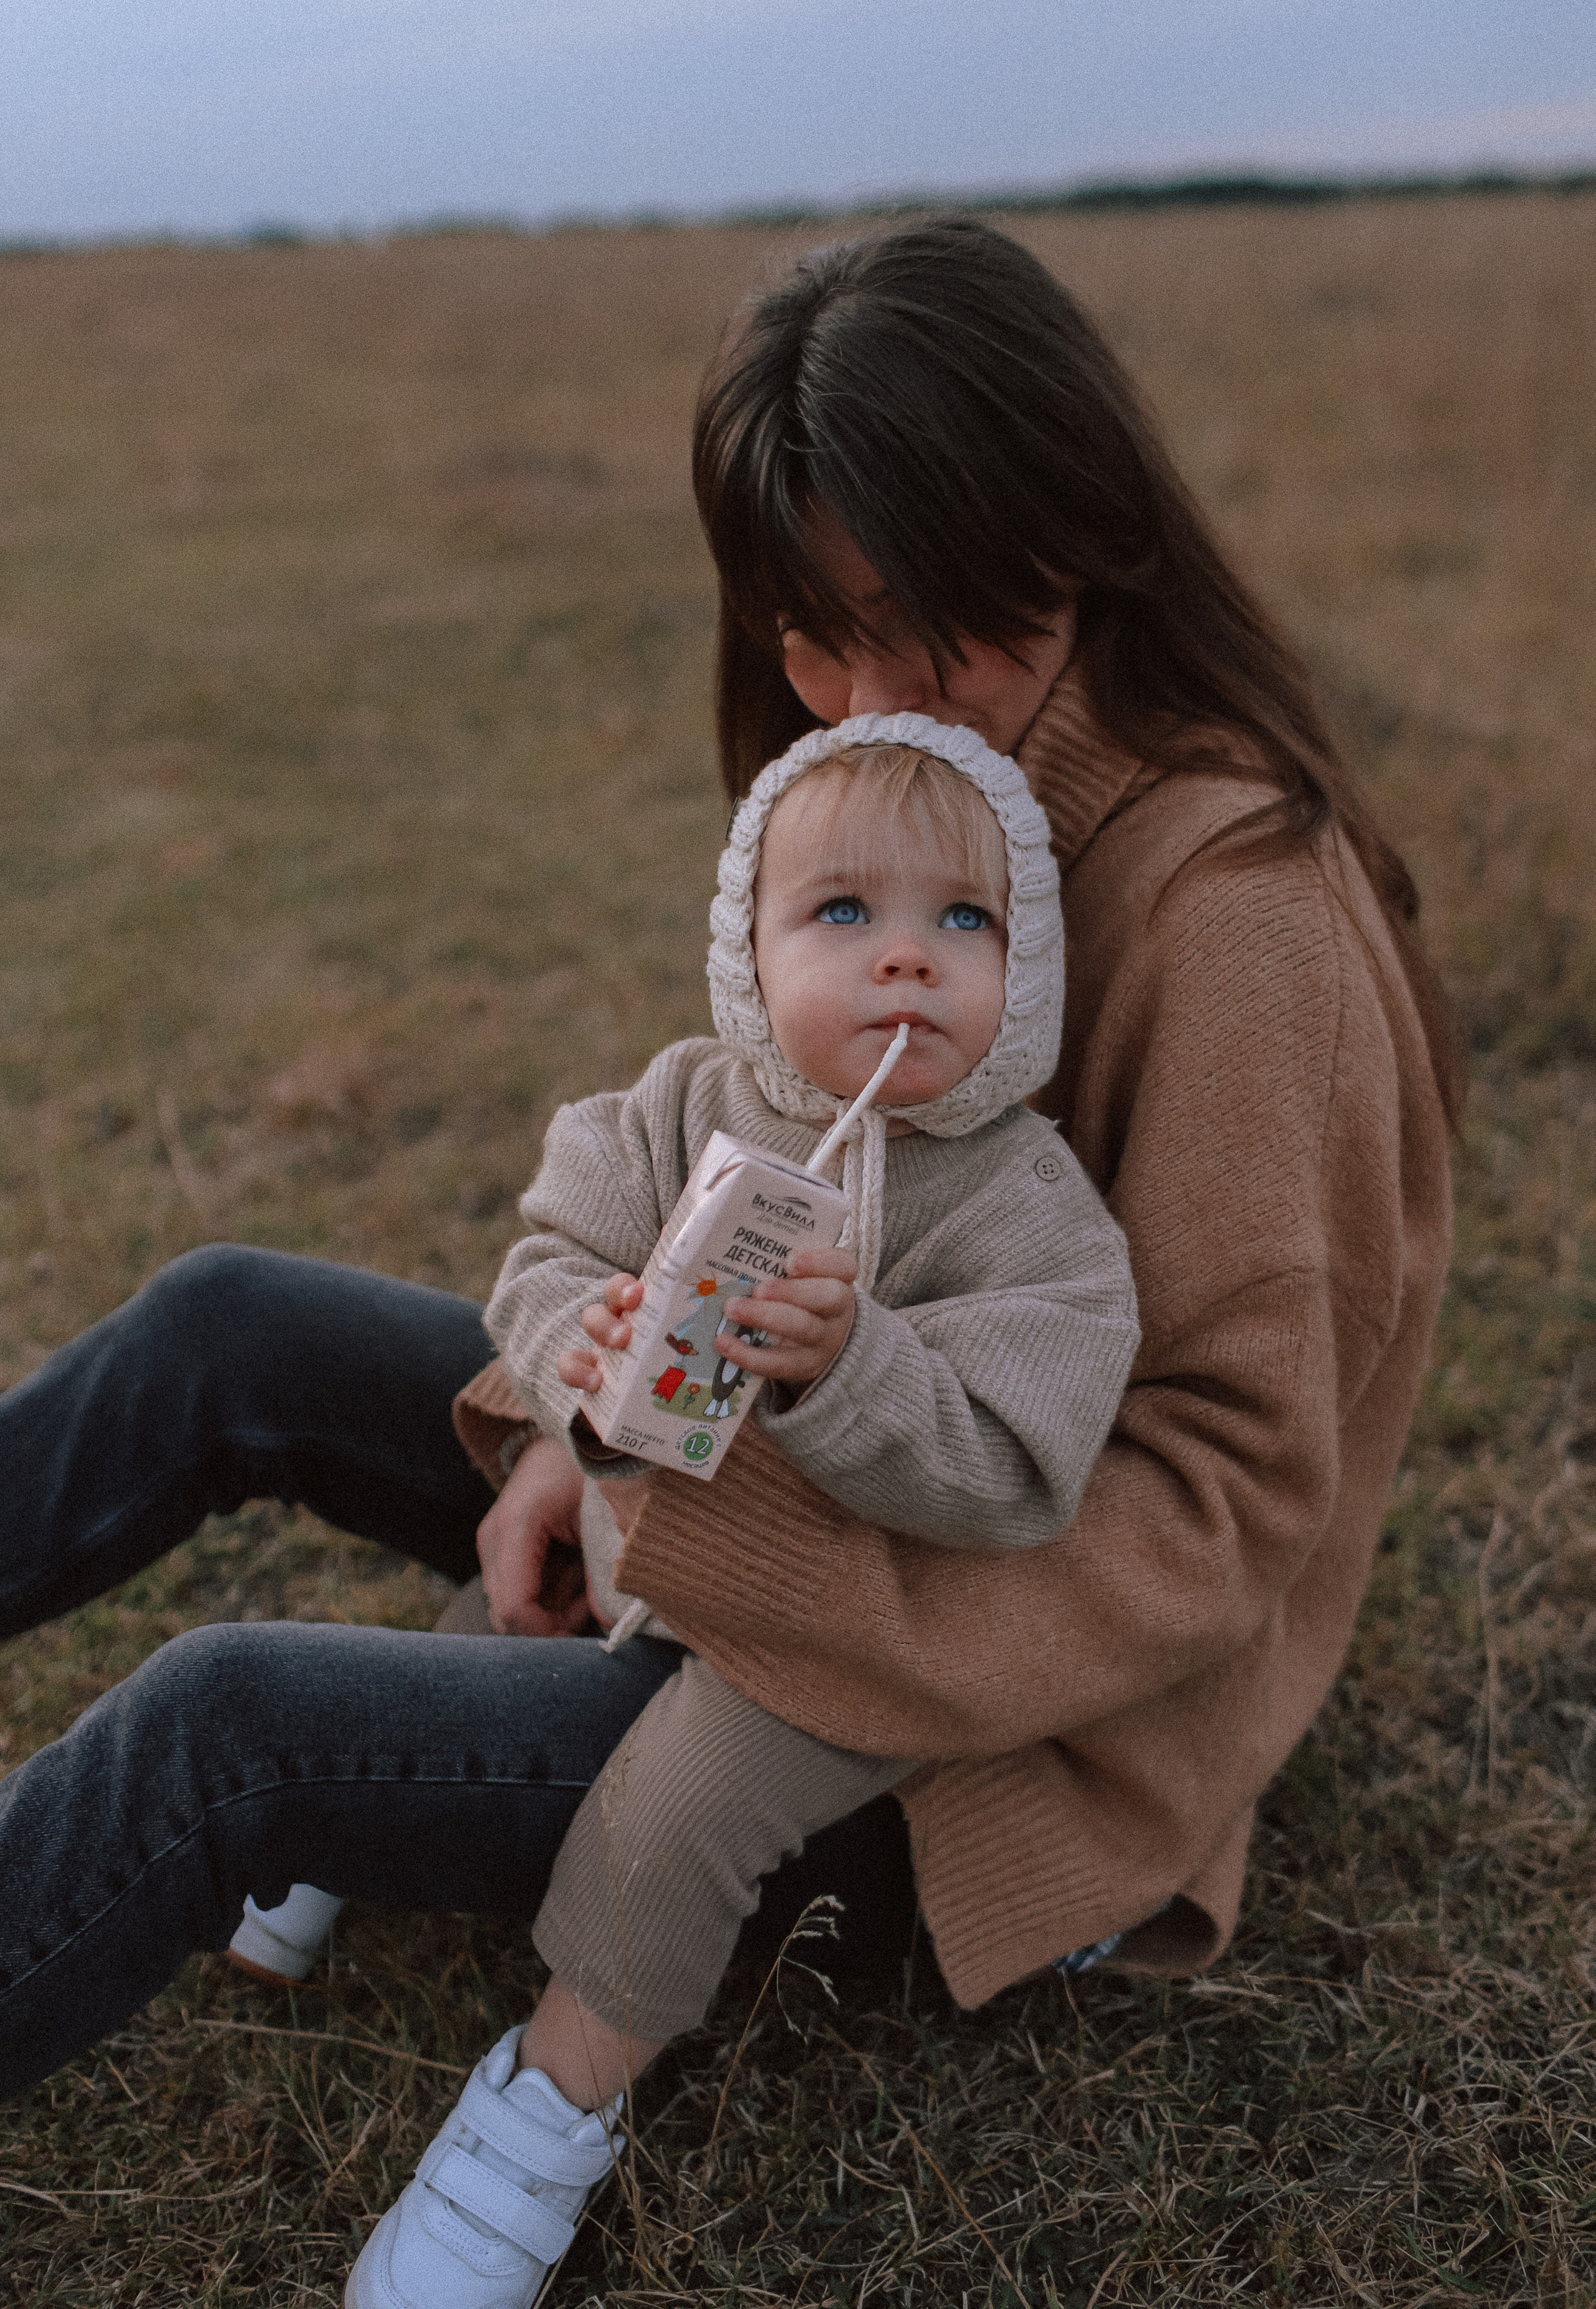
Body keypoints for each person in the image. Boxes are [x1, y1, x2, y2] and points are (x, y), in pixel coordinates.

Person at [0, 216, 1454, 2295]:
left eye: (930, 624)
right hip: (741, 1512)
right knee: (228, 1320)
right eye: (816, 638)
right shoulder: (926, 805)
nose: (872, 704)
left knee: (226, 1727)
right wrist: (562, 1437)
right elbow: (705, 1191)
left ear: (1080, 531)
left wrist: (720, 1541)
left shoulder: (1240, 921)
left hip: (947, 1749)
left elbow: (1218, 1518)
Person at [340, 718, 1140, 2305]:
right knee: (494, 1623)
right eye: (841, 914)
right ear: (748, 947)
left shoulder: (1028, 1211)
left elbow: (1009, 1471)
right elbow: (544, 1256)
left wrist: (853, 1371)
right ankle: (318, 1834)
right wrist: (584, 1343)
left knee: (678, 1811)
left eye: (960, 923)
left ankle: (539, 2125)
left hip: (853, 1627)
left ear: (1025, 973)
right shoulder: (678, 1106)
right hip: (661, 1550)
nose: (904, 963)